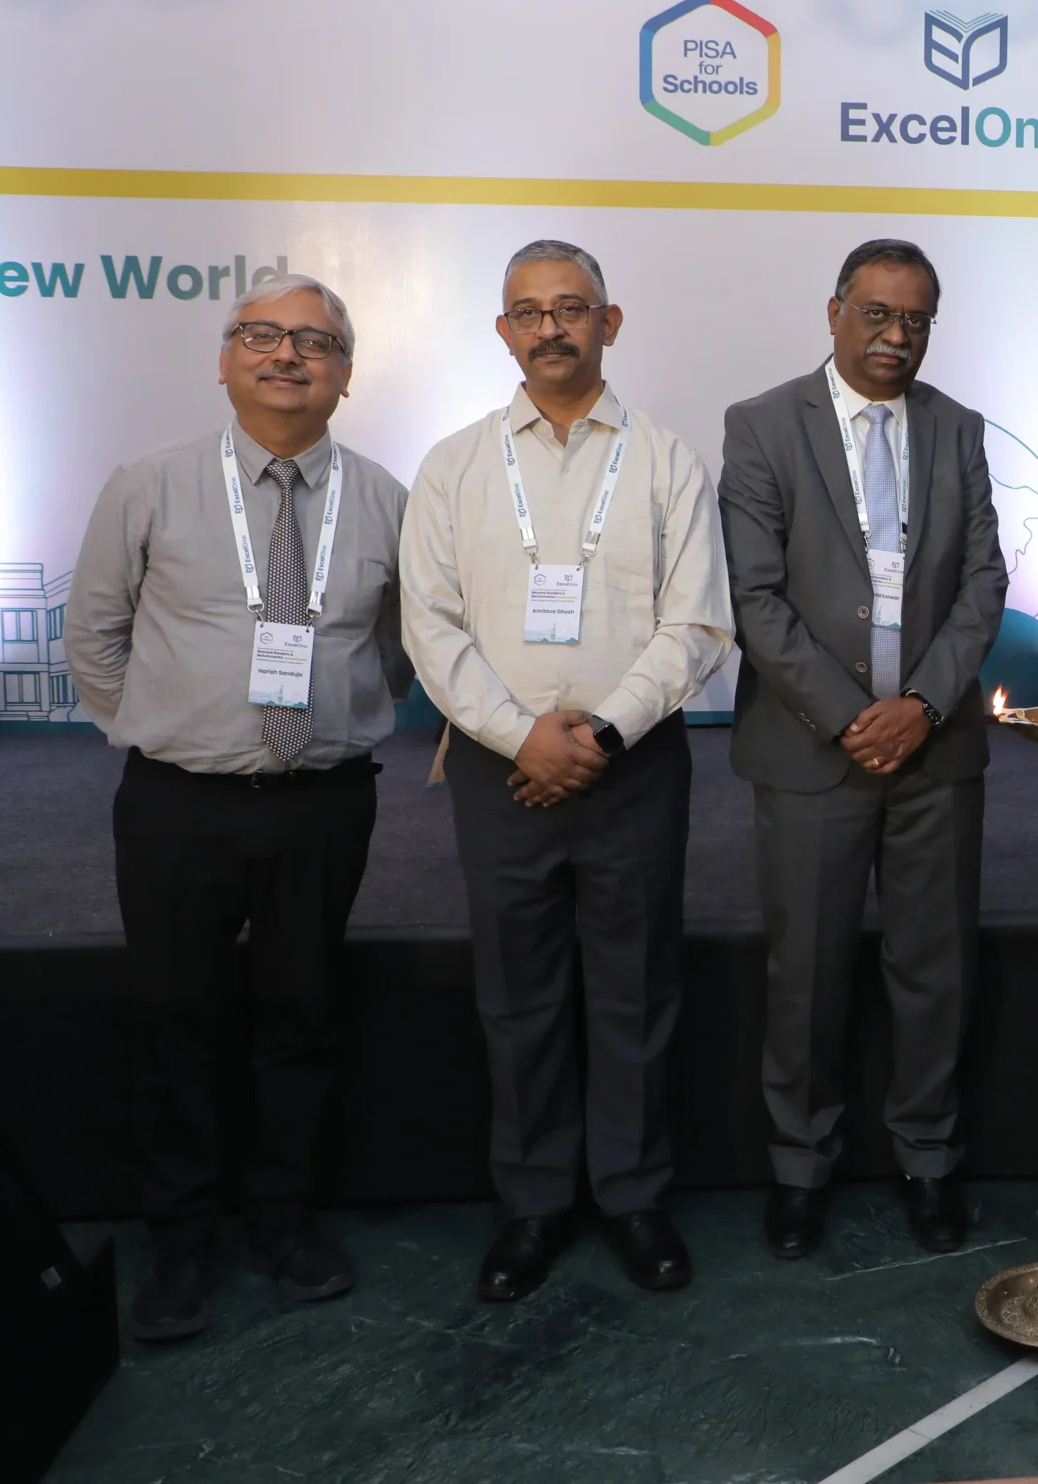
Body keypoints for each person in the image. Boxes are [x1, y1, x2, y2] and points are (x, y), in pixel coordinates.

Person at [66, 272, 409, 1342]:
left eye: (315, 341)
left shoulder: (386, 498)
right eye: (260, 334)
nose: (286, 354)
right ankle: (182, 1238)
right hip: (178, 804)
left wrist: (337, 717)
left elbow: (397, 650)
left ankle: (282, 1219)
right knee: (176, 1019)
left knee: (303, 1013)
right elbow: (94, 635)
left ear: (345, 374)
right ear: (224, 360)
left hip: (322, 801)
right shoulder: (151, 484)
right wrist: (168, 729)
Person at [401, 238, 734, 1303]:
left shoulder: (667, 461)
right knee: (518, 996)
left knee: (637, 990)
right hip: (498, 773)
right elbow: (430, 626)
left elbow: (696, 624)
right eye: (529, 311)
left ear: (609, 322)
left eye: (572, 307)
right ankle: (535, 1202)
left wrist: (601, 736)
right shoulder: (453, 466)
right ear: (504, 331)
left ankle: (632, 1195)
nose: (551, 327)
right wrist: (521, 736)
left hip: (633, 768)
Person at [720, 238, 1010, 1260]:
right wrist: (851, 716)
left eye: (916, 319)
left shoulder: (958, 428)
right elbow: (754, 596)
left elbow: (983, 582)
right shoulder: (762, 425)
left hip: (935, 750)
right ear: (835, 311)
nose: (896, 336)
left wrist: (922, 703)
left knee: (934, 967)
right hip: (811, 750)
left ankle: (928, 1157)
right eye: (878, 313)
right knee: (806, 973)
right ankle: (800, 1167)